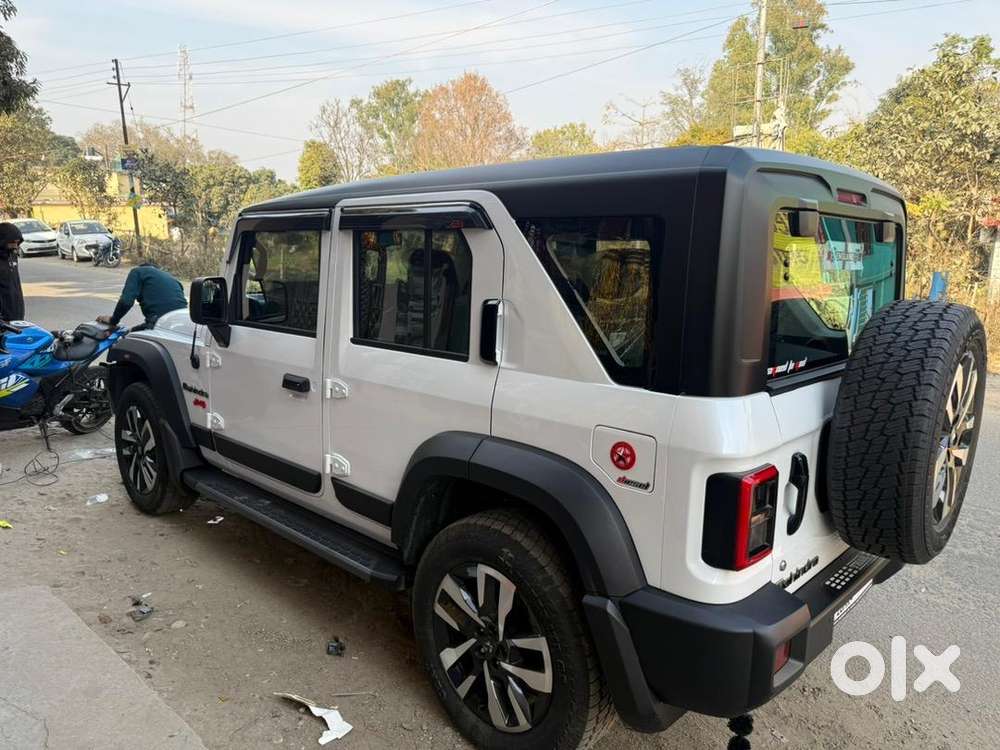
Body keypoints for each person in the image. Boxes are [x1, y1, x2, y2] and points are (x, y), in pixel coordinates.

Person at [97, 259, 186, 330]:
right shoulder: (173, 279)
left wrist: (113, 320)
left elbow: (126, 302)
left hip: (158, 323)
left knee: (124, 341)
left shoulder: (137, 272)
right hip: (182, 323)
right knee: (131, 332)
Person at [0, 222, 25, 322]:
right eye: (12, 242)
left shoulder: (12, 256)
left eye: (17, 242)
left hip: (17, 314)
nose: (15, 245)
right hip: (3, 319)